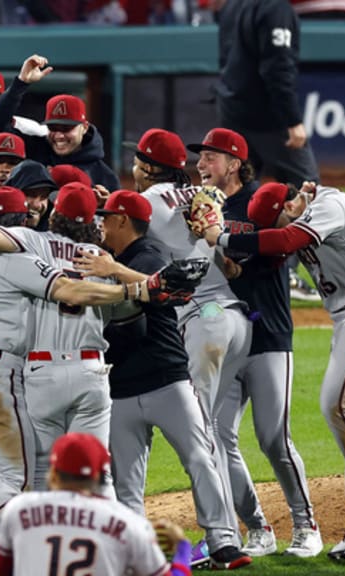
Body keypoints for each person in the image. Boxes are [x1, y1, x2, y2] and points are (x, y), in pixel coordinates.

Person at [0, 187, 187, 576]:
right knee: (70, 474)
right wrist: (140, 285)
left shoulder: (26, 246)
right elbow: (115, 307)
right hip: (62, 371)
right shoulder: (89, 256)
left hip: (15, 371)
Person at [198, 181, 345, 560]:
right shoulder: (302, 209)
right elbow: (273, 248)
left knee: (339, 406)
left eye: (278, 218)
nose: (278, 227)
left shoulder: (331, 204)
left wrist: (223, 237)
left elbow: (282, 241)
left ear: (290, 204)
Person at [73, 190, 251, 571]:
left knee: (200, 457)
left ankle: (222, 541)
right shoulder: (111, 259)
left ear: (122, 220)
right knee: (127, 479)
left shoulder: (148, 253)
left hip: (167, 381)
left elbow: (171, 288)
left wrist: (115, 273)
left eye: (107, 218)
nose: (102, 224)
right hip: (119, 386)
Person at [190, 127, 322, 558]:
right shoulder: (200, 205)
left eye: (210, 157)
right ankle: (257, 528)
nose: (201, 165)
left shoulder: (261, 200)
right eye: (199, 158)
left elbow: (282, 243)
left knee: (273, 438)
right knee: (214, 435)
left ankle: (306, 525)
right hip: (224, 338)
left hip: (267, 335)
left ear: (233, 162)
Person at [0, 433, 194, 576]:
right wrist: (182, 548)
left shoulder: (19, 510)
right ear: (101, 476)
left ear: (53, 473)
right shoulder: (130, 524)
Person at [213, 0, 319, 187]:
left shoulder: (232, 5)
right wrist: (292, 120)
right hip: (266, 116)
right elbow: (277, 69)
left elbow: (225, 60)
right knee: (308, 191)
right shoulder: (276, 8)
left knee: (239, 189)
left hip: (232, 108)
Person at [0, 54, 120, 191]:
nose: (59, 135)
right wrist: (21, 83)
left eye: (66, 128)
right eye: (53, 127)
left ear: (84, 128)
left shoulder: (103, 176)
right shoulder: (35, 149)